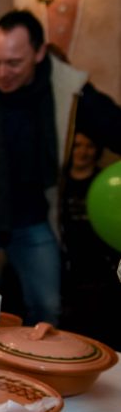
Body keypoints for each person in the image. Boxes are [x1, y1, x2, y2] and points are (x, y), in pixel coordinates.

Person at [0, 10, 121, 325]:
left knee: (48, 308)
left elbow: (113, 124)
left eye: (13, 63)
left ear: (39, 53)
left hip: (34, 219)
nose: (2, 72)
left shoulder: (68, 90)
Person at [60, 133, 121, 349]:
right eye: (77, 145)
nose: (83, 152)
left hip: (99, 265)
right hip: (64, 260)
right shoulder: (58, 183)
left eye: (89, 146)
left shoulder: (108, 181)